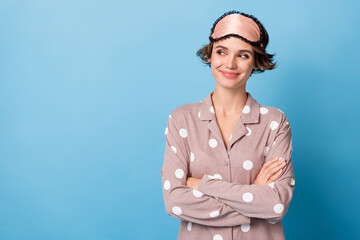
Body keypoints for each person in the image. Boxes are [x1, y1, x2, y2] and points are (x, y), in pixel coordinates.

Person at [160, 10, 295, 240]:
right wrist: (254, 195)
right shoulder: (181, 119)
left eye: (243, 55)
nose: (230, 64)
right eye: (222, 52)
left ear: (256, 62)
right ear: (210, 55)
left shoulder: (275, 121)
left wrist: (204, 185)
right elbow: (174, 202)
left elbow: (276, 205)